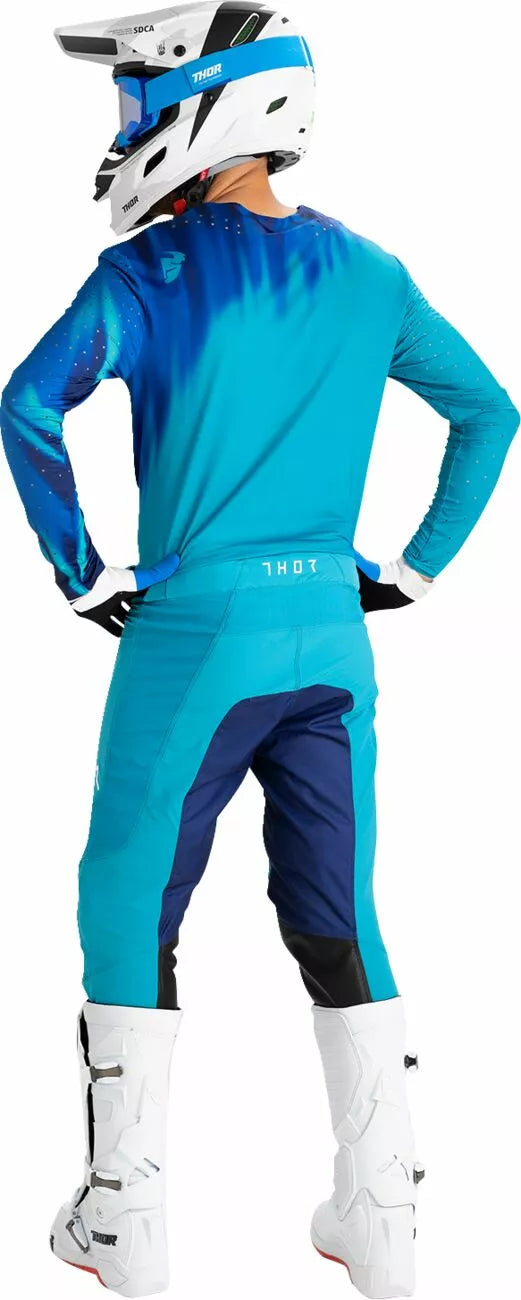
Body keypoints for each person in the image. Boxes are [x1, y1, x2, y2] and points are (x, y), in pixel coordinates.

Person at [1, 4, 518, 1298]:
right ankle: (383, 1218)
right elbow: (488, 413)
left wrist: (80, 570)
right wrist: (411, 568)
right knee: (339, 910)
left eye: (138, 100)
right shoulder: (371, 275)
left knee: (125, 900)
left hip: (195, 641)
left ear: (212, 103)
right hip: (333, 646)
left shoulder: (150, 277)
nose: (126, 125)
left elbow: (29, 404)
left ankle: (124, 1218)